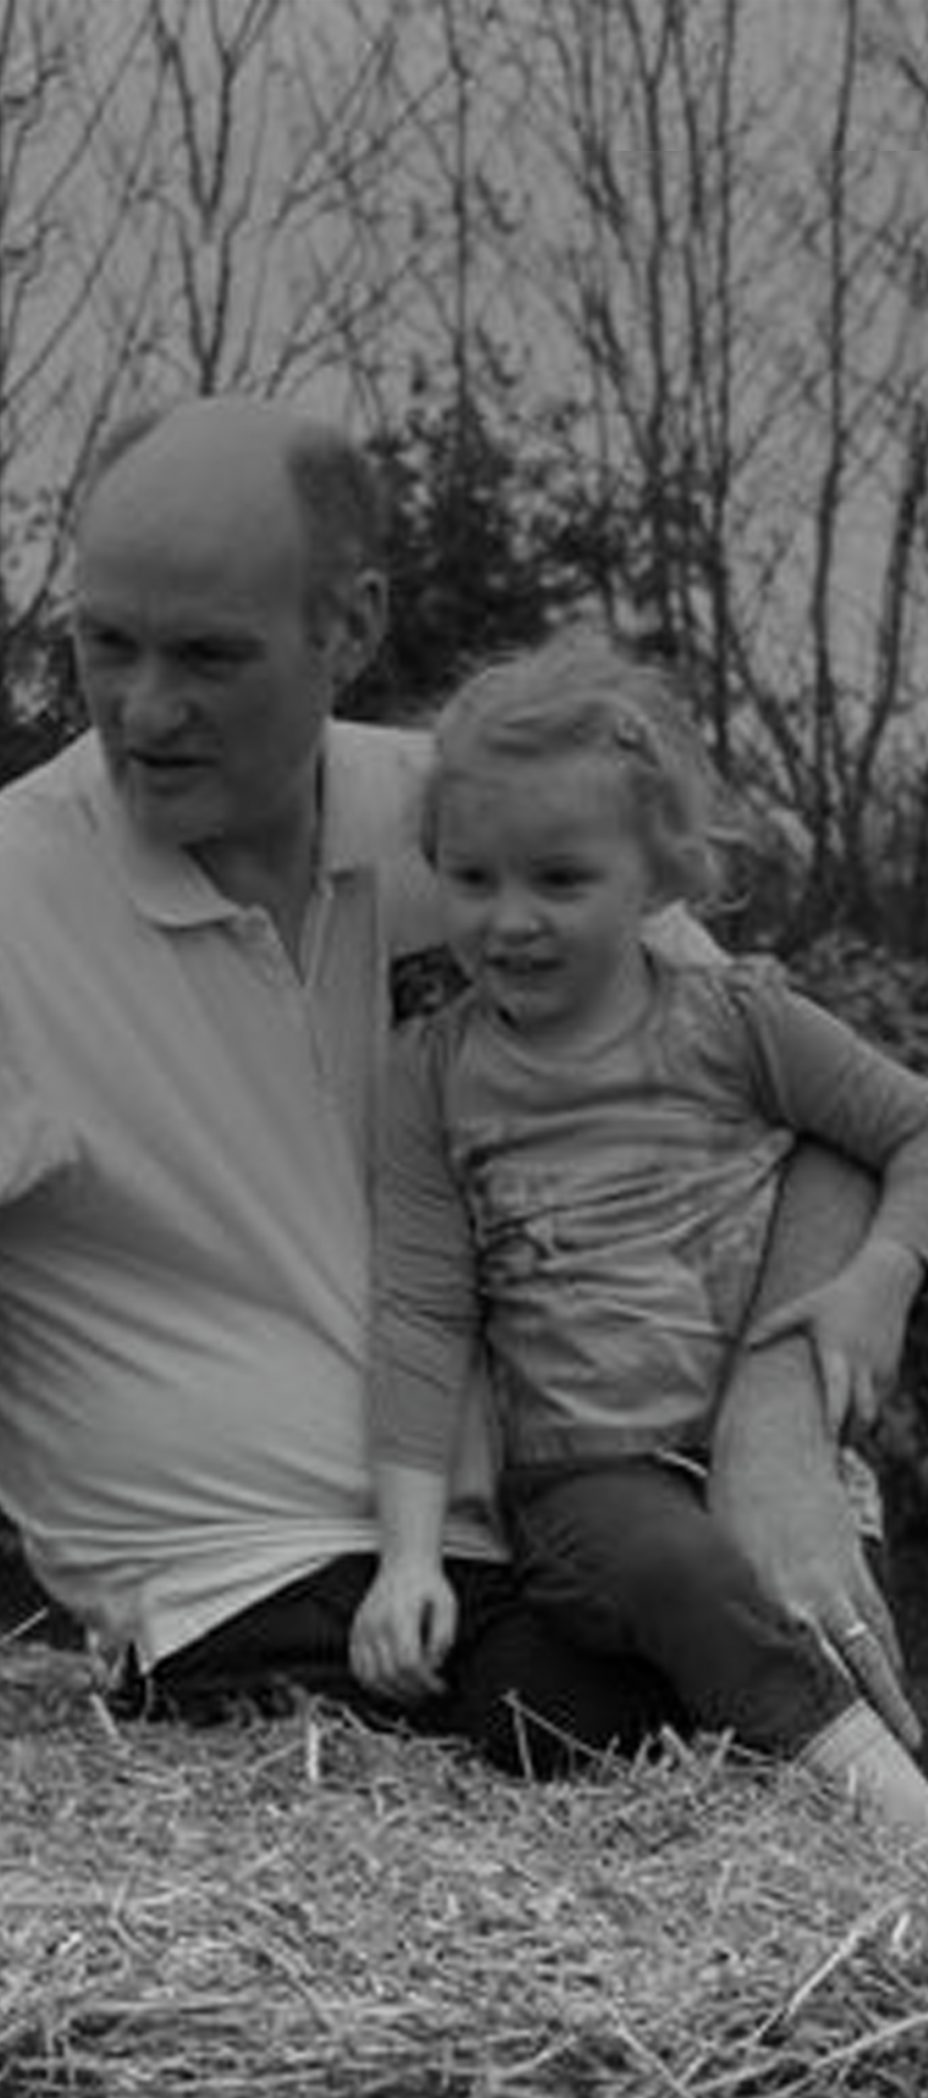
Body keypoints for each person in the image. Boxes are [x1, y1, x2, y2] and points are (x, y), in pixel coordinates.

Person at [0, 394, 912, 1776]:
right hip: (268, 1587)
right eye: (103, 645)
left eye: (206, 655)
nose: (144, 709)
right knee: (654, 1752)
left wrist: (775, 1423)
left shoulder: (486, 833)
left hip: (590, 1512)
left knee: (766, 1689)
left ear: (351, 628)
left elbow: (824, 1116)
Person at [360, 634, 928, 1832]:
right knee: (682, 1575)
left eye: (559, 881)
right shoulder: (430, 1075)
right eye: (471, 879)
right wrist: (407, 1556)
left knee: (829, 1614)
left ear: (656, 876)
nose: (508, 920)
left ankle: (817, 1779)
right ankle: (892, 1810)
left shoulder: (735, 1023)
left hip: (762, 1462)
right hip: (586, 1482)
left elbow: (912, 1131)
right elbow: (421, 1314)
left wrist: (882, 1271)